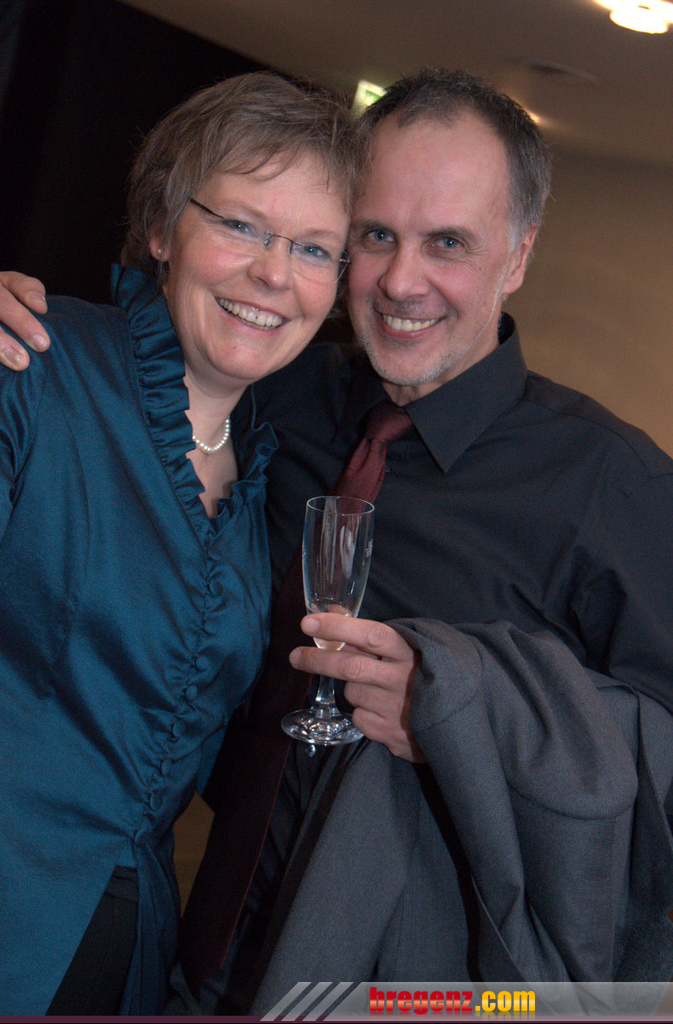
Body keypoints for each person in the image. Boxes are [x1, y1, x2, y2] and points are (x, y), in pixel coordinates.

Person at [3, 68, 673, 1014]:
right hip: (189, 957)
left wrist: (473, 710)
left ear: (517, 254)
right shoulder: (272, 392)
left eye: (448, 242)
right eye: (373, 237)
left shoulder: (614, 483)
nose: (400, 281)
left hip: (414, 987)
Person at [0, 70, 358, 1016]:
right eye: (240, 224)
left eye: (312, 248)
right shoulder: (27, 367)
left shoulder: (264, 481)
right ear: (162, 227)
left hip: (127, 959)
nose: (274, 273)